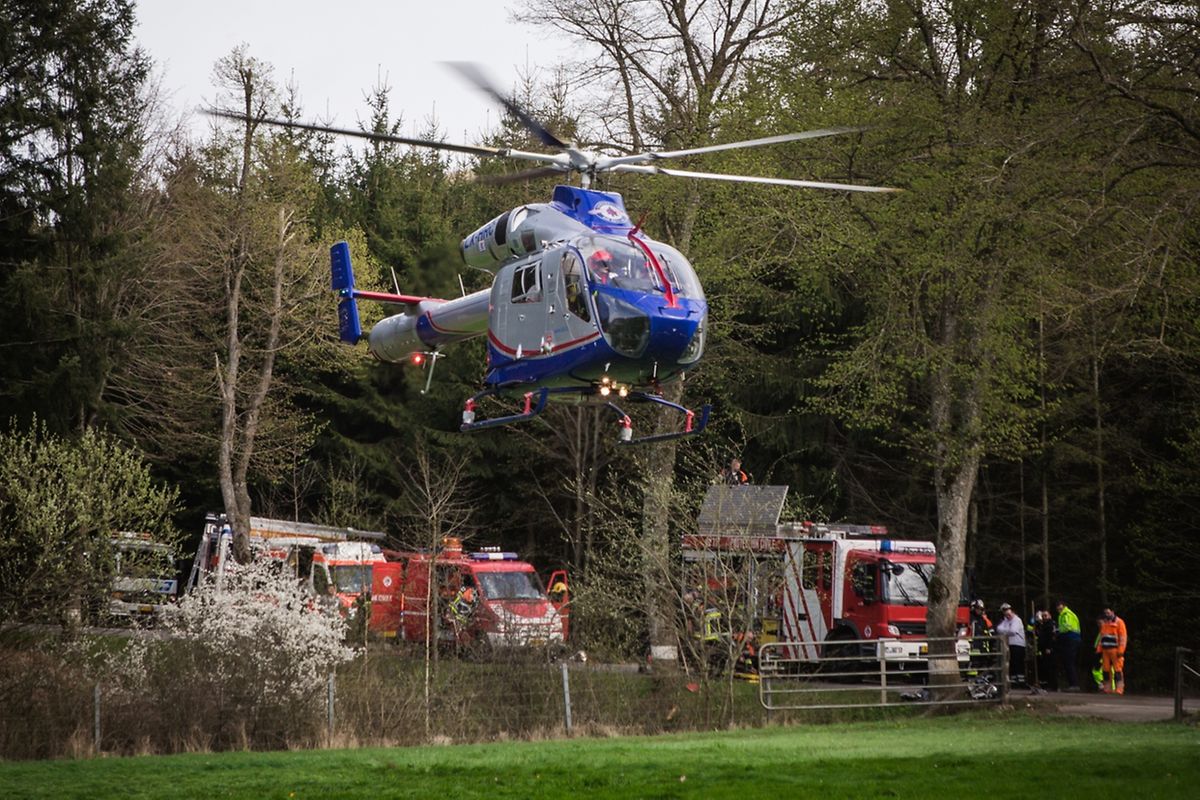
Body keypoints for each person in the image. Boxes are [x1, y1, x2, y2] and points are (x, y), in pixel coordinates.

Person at [1095, 607, 1128, 695]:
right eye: (1105, 613)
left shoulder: (1119, 622)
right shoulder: (1105, 623)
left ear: (1113, 612)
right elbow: (1102, 637)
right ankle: (1107, 688)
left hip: (1115, 650)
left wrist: (1121, 650)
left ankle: (1119, 689)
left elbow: (1123, 637)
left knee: (1118, 670)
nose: (1107, 614)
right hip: (1105, 650)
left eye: (1108, 612)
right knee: (1105, 670)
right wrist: (1099, 649)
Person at [995, 602, 1027, 686]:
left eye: (1008, 613)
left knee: (1018, 663)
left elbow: (1013, 631)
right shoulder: (1006, 621)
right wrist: (1007, 630)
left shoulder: (1017, 620)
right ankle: (1013, 681)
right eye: (1005, 613)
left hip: (1018, 644)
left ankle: (1020, 681)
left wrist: (1004, 631)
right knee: (1011, 663)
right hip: (1009, 644)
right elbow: (998, 629)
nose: (1007, 615)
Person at [1055, 600, 1082, 691]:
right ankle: (1073, 684)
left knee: (1069, 662)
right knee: (1068, 662)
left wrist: (1058, 631)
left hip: (1070, 638)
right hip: (1072, 639)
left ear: (1063, 606)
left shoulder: (1066, 614)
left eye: (1060, 607)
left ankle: (1074, 684)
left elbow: (1067, 627)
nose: (1059, 609)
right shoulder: (1068, 614)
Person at [1033, 610, 1058, 691]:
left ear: (1050, 616)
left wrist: (1049, 648)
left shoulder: (1051, 625)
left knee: (1051, 667)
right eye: (1043, 616)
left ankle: (1053, 685)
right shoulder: (1043, 625)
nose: (1044, 617)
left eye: (1046, 615)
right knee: (1045, 667)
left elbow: (1051, 637)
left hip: (1049, 648)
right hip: (1043, 648)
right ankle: (1047, 684)